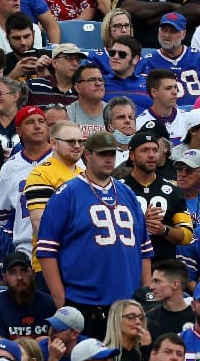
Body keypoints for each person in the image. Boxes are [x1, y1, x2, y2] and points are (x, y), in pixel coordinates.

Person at [37, 130, 152, 339]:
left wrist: (144, 296)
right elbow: (46, 251)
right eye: (102, 154)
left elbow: (144, 249)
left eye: (112, 154)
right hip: (83, 301)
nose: (109, 159)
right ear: (87, 155)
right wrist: (61, 301)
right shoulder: (67, 194)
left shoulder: (127, 194)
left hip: (125, 304)